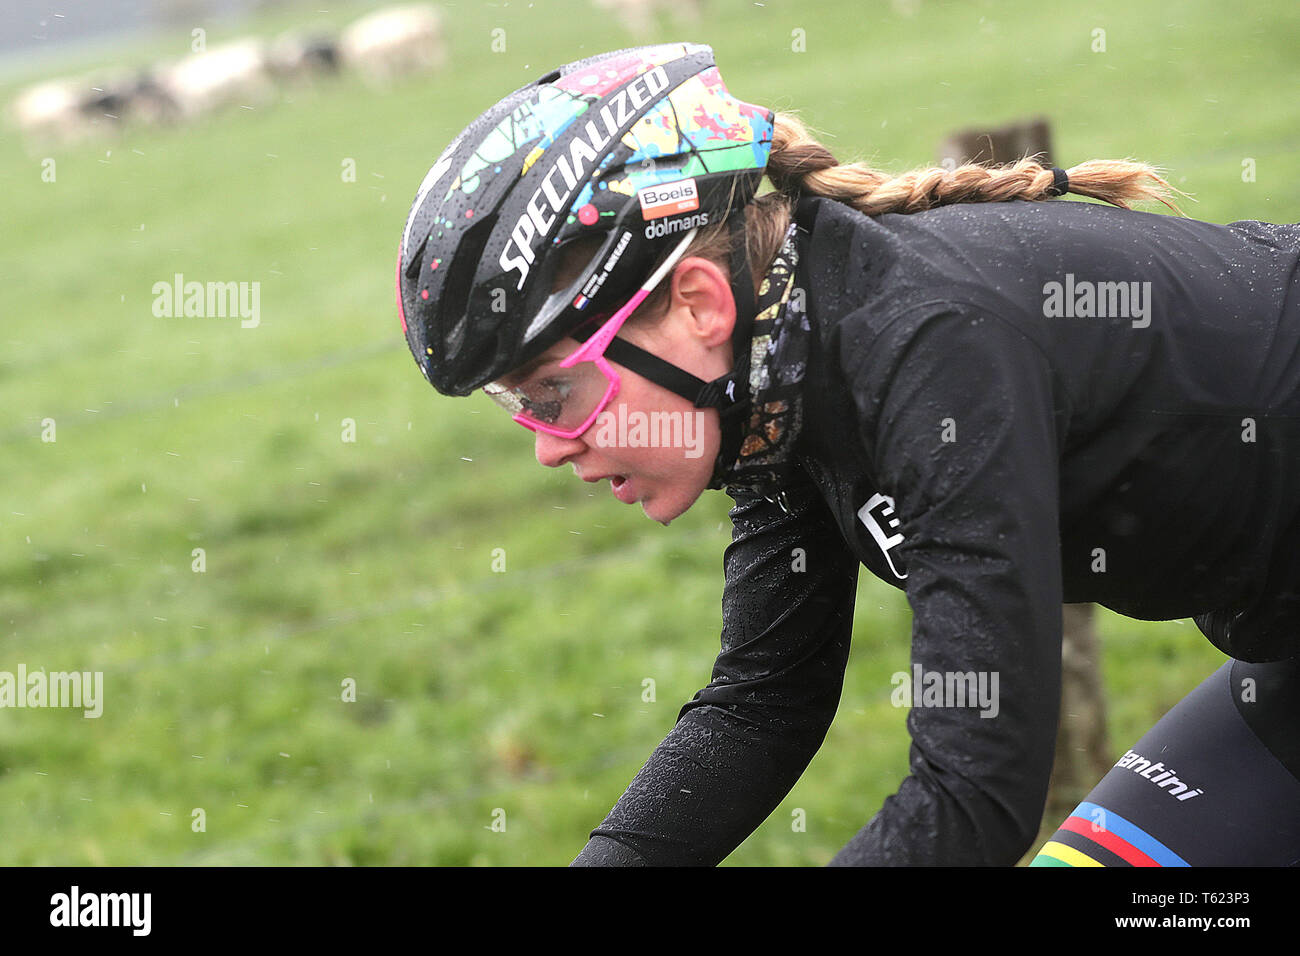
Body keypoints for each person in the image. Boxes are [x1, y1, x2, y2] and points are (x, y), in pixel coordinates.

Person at [395, 42, 1300, 866]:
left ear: (701, 304)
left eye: (553, 392)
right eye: (517, 406)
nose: (549, 448)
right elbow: (765, 701)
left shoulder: (930, 350)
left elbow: (973, 792)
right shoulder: (777, 378)